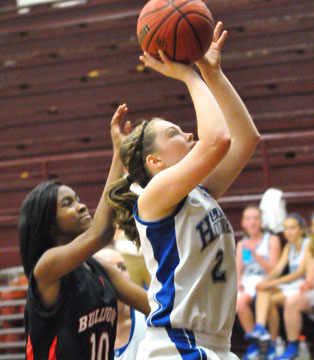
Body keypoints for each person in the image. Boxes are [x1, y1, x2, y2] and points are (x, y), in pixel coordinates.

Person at [106, 21, 260, 359]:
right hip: (175, 347)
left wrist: (212, 72)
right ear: (155, 162)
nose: (189, 135)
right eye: (175, 134)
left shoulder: (199, 193)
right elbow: (218, 140)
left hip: (215, 344)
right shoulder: (155, 196)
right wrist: (189, 75)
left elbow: (246, 138)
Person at [18, 104, 150, 360]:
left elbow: (153, 307)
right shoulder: (47, 268)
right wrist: (117, 156)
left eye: (78, 199)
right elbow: (101, 233)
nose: (80, 206)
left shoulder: (101, 270)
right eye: (67, 204)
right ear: (48, 224)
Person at [245, 213, 310, 360]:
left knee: (274, 293)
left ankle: (290, 346)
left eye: (293, 228)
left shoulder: (307, 244)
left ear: (301, 229)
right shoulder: (288, 247)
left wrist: (272, 283)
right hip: (292, 287)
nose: (289, 232)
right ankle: (263, 331)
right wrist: (265, 281)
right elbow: (278, 269)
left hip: (303, 288)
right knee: (265, 292)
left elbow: (299, 272)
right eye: (286, 228)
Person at [236, 204, 281, 360]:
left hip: (267, 281)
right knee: (240, 301)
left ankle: (271, 345)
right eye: (248, 219)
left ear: (261, 222)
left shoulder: (272, 240)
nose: (252, 222)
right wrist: (238, 283)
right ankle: (254, 343)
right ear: (243, 223)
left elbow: (274, 270)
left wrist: (256, 254)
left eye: (256, 218)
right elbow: (238, 269)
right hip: (249, 282)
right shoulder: (241, 244)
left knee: (265, 296)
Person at [95, 247, 147, 360]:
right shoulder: (81, 325)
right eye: (107, 269)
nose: (117, 274)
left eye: (122, 267)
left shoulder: (148, 316)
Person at [276, 223, 314, 359]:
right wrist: (308, 283)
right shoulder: (311, 246)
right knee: (292, 302)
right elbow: (310, 276)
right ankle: (292, 347)